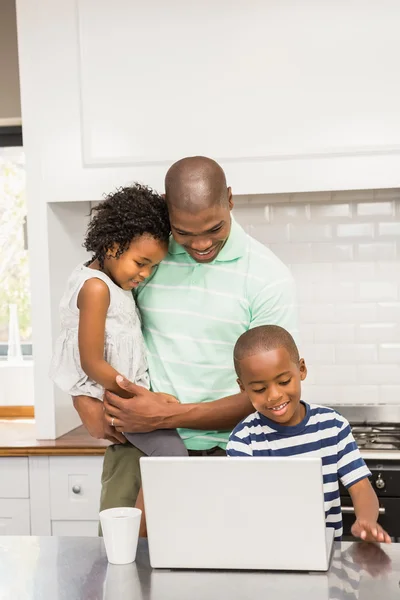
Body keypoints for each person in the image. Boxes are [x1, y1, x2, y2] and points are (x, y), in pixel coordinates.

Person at [72, 156, 299, 515]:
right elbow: (83, 318)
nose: (201, 244)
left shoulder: (269, 279)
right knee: (123, 564)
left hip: (233, 454)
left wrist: (165, 417)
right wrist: (83, 402)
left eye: (213, 228)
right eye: (184, 232)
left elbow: (268, 395)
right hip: (138, 452)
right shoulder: (147, 258)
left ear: (230, 199)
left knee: (225, 568)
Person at [50, 184, 187, 535]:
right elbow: (92, 363)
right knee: (172, 455)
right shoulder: (96, 288)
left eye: (153, 267)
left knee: (167, 455)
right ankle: (140, 533)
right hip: (113, 399)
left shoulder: (112, 284)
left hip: (117, 397)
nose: (144, 275)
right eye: (141, 263)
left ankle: (139, 530)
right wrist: (145, 398)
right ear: (112, 245)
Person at [226, 324, 391, 544]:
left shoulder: (332, 426)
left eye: (284, 381)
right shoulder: (243, 441)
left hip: (329, 555)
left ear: (301, 369)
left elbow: (361, 487)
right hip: (269, 552)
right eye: (259, 389)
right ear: (242, 387)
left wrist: (366, 520)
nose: (274, 395)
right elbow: (243, 508)